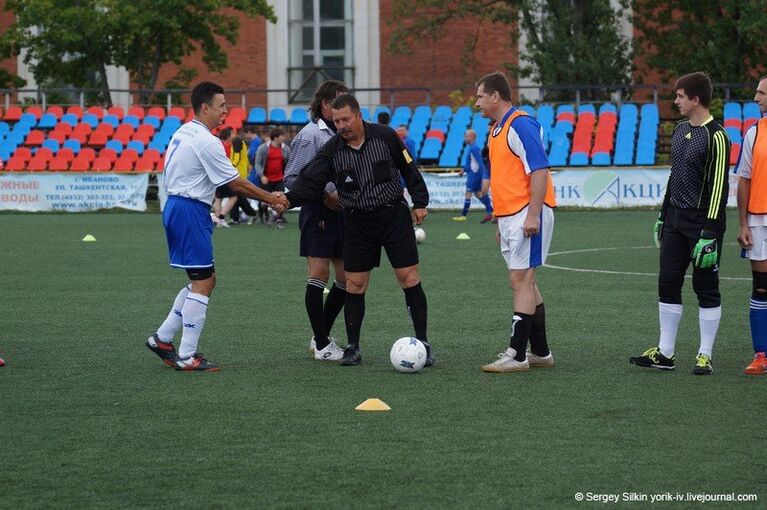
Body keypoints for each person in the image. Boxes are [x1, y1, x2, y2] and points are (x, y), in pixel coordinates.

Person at [145, 81, 287, 371]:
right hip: (189, 210)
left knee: (203, 279)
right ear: (205, 107)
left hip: (179, 206)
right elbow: (233, 183)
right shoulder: (206, 140)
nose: (226, 111)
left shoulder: (185, 130)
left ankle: (163, 338)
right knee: (204, 281)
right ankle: (186, 355)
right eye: (222, 106)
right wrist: (271, 198)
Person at [283, 94, 434, 367]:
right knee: (354, 284)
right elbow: (311, 179)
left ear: (359, 115)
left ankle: (423, 342)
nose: (341, 125)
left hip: (393, 217)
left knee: (409, 278)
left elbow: (408, 168)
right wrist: (289, 200)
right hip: (356, 222)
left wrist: (420, 201)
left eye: (346, 119)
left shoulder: (386, 137)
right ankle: (353, 346)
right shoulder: (332, 149)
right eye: (336, 121)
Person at [631, 71, 730, 376]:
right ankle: (665, 353)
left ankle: (705, 355)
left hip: (703, 224)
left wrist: (710, 232)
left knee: (706, 288)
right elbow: (674, 176)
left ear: (695, 99)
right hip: (675, 220)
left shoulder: (717, 136)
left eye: (679, 96)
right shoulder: (679, 130)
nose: (675, 101)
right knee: (667, 282)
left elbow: (719, 188)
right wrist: (663, 213)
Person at [473, 72, 557, 373]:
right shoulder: (496, 128)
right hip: (512, 215)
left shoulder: (520, 123)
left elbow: (539, 169)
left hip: (527, 212)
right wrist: (499, 218)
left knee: (521, 280)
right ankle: (541, 353)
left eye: (481, 96)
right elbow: (505, 177)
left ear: (496, 96)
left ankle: (517, 354)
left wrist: (533, 214)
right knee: (524, 281)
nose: (477, 102)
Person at [283, 79, 350, 361]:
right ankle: (323, 345)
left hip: (342, 213)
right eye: (338, 101)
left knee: (348, 278)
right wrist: (324, 197)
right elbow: (291, 177)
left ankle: (319, 336)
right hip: (319, 212)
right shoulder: (311, 135)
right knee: (319, 274)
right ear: (324, 104)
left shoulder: (343, 133)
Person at [736, 74, 767, 375]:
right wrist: (743, 222)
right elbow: (743, 179)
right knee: (762, 288)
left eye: (762, 93)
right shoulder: (754, 133)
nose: (757, 98)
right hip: (759, 220)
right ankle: (762, 355)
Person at [452, 129, 494, 223]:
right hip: (473, 173)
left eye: (466, 136)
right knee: (478, 194)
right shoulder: (472, 147)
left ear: (472, 137)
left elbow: (480, 162)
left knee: (468, 193)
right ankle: (491, 211)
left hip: (474, 174)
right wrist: (464, 170)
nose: (465, 137)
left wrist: (484, 174)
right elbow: (471, 162)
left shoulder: (474, 148)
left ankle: (463, 215)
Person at [254, 127, 291, 226]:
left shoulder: (286, 149)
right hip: (266, 179)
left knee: (281, 199)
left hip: (279, 179)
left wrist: (287, 175)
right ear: (275, 137)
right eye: (282, 136)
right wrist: (262, 176)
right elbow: (257, 164)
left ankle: (279, 218)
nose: (284, 137)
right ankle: (264, 216)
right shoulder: (262, 148)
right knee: (263, 200)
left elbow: (290, 163)